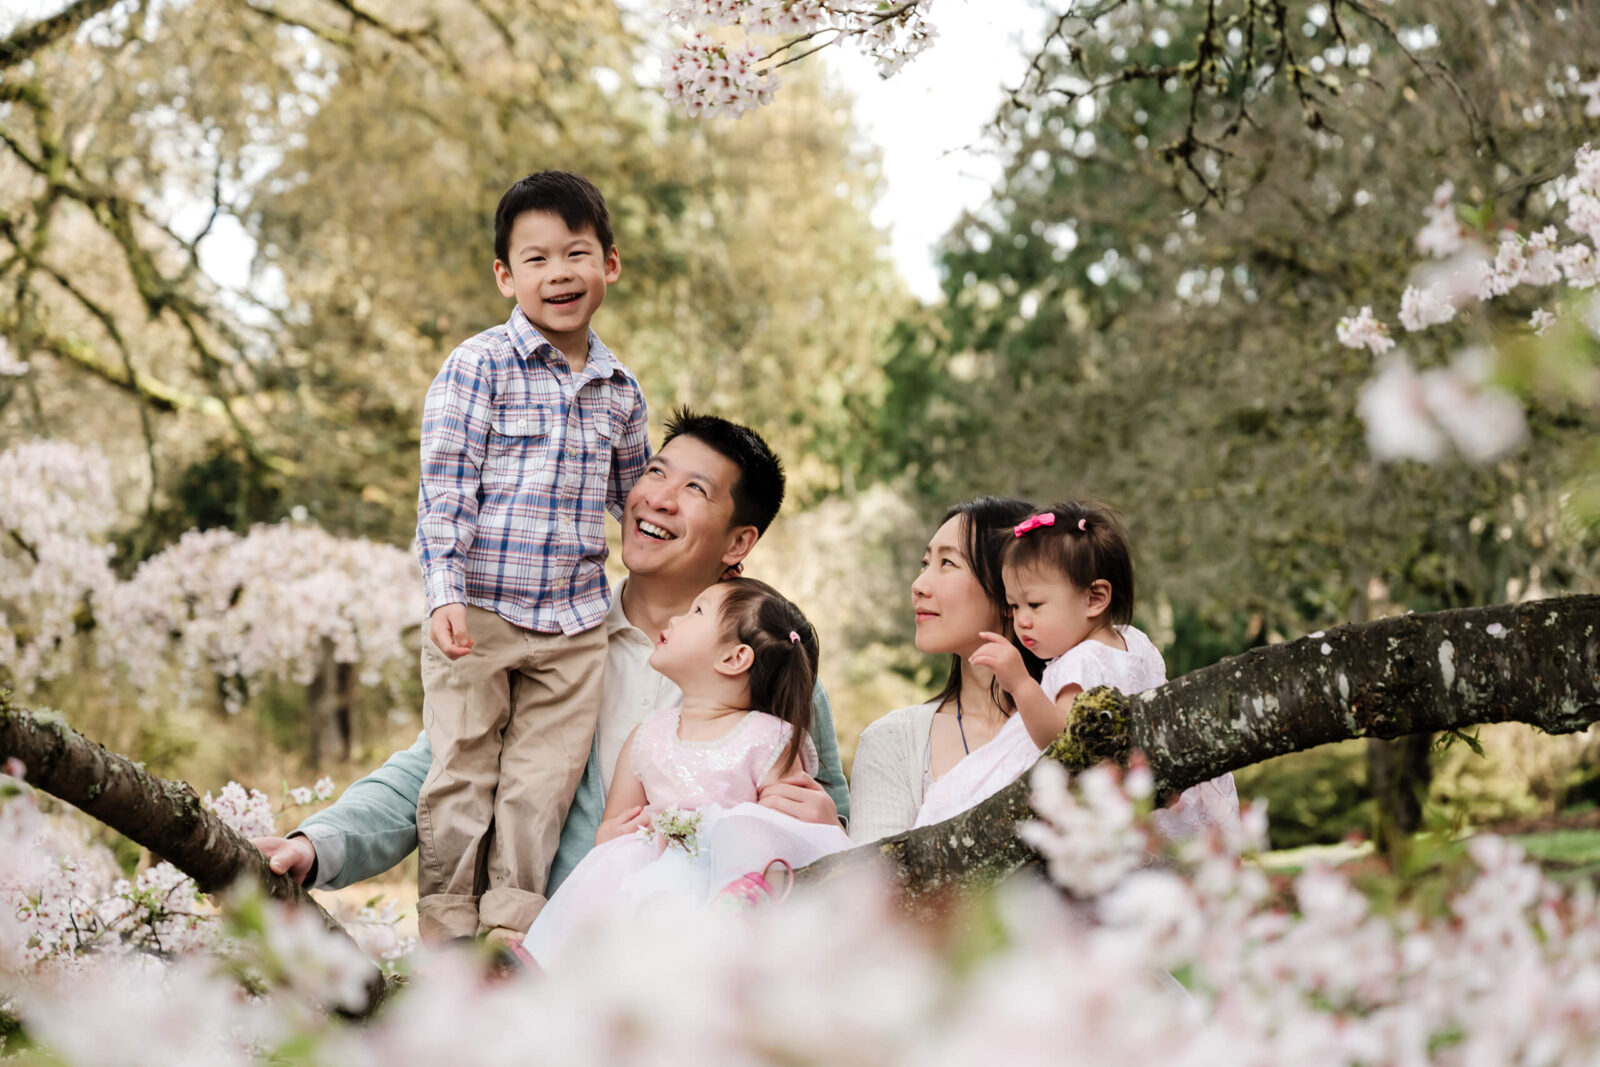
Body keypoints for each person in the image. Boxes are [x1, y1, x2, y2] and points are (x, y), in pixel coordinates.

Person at [252, 411, 849, 942]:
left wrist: (829, 824)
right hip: (536, 958)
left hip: (695, 992)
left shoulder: (776, 669)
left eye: (695, 489)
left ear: (739, 540)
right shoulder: (543, 643)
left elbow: (834, 837)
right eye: (656, 473)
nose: (659, 499)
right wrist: (317, 843)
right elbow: (437, 770)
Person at [408, 170, 653, 942]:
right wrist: (445, 589)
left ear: (609, 264)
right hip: (477, 610)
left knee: (538, 785)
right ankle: (446, 925)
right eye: (537, 259)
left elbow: (635, 501)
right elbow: (443, 490)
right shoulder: (477, 366)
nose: (559, 274)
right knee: (461, 771)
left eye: (576, 254)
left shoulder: (620, 389)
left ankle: (510, 926)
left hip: (574, 624)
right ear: (505, 275)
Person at [848, 498, 1236, 841]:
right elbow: (875, 898)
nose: (918, 584)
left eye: (947, 562)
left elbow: (1071, 748)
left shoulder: (1085, 678)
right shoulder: (893, 744)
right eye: (924, 562)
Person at [521, 578, 850, 967]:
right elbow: (613, 827)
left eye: (697, 611)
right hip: (642, 886)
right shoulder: (648, 737)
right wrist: (612, 834)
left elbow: (781, 835)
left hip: (725, 897)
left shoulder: (770, 739)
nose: (677, 618)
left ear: (733, 658)